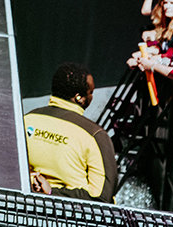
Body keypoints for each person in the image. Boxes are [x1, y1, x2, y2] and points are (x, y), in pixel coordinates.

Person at [24, 63, 117, 203]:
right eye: (91, 92)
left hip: (28, 205)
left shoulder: (27, 120)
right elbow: (102, 196)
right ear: (79, 97)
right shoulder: (96, 135)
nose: (92, 97)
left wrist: (32, 182)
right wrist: (51, 193)